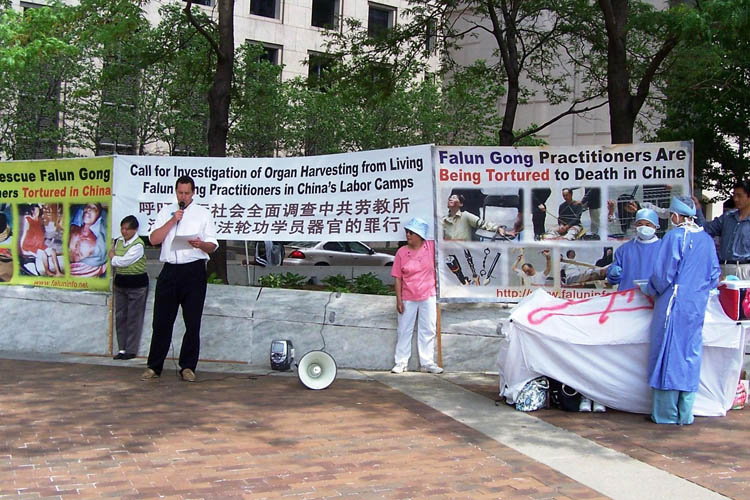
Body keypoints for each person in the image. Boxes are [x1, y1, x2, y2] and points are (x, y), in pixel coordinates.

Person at [642, 196, 720, 424]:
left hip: (673, 305)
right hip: (696, 306)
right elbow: (714, 276)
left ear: (675, 216)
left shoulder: (675, 236)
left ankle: (665, 414)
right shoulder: (706, 240)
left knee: (669, 354)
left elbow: (664, 275)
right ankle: (685, 414)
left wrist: (649, 288)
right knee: (690, 355)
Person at [141, 175, 218, 382]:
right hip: (170, 270)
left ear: (193, 193)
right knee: (161, 321)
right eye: (180, 192)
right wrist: (172, 220)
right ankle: (154, 366)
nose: (183, 196)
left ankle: (188, 366)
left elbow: (212, 245)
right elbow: (154, 239)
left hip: (193, 270)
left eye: (186, 193)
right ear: (175, 192)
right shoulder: (166, 211)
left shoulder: (203, 213)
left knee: (192, 321)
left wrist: (201, 244)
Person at [391, 217, 443, 374]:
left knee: (428, 329)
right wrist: (399, 300)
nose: (408, 235)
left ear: (420, 235)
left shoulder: (431, 247)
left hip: (428, 295)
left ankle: (427, 363)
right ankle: (401, 362)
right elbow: (397, 277)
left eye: (411, 232)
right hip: (408, 297)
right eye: (407, 232)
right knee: (404, 330)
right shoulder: (401, 252)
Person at [109, 216, 149, 361]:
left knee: (133, 318)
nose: (124, 231)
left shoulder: (138, 245)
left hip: (136, 285)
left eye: (127, 229)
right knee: (120, 316)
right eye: (122, 228)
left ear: (135, 230)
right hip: (121, 283)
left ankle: (131, 350)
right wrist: (114, 258)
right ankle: (122, 349)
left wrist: (113, 258)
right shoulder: (119, 241)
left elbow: (124, 261)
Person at [696, 179, 750, 279]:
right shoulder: (727, 217)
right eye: (734, 195)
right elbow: (706, 230)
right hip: (724, 268)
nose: (735, 199)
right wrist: (698, 210)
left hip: (745, 269)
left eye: (739, 196)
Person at [606, 209, 662, 291]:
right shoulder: (624, 249)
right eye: (640, 224)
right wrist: (613, 273)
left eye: (648, 224)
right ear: (635, 226)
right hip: (628, 296)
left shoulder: (664, 248)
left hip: (655, 296)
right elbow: (612, 279)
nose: (643, 227)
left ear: (656, 226)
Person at [442, 193, 515, 241]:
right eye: (450, 198)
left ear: (461, 204)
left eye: (454, 198)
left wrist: (498, 228)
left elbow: (483, 224)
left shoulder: (466, 216)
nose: (451, 199)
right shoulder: (443, 220)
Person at [19, 204, 62, 276]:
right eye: (35, 211)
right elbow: (24, 233)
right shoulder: (27, 219)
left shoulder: (39, 220)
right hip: (30, 245)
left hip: (39, 244)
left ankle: (58, 272)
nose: (36, 213)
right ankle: (48, 271)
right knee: (43, 253)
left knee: (52, 251)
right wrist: (21, 247)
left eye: (38, 211)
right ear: (32, 211)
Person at [69, 202, 108, 277]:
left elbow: (101, 258)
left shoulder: (94, 242)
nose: (89, 209)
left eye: (94, 208)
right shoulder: (73, 229)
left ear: (98, 217)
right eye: (87, 206)